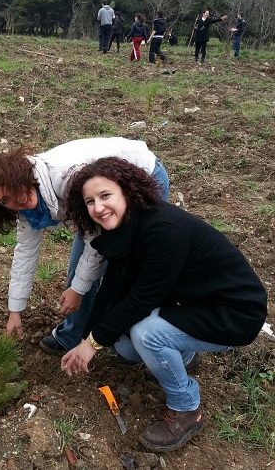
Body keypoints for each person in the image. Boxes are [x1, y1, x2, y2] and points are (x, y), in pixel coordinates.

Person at [61, 157, 267, 453]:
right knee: (125, 347)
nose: (98, 208)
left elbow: (141, 299)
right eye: (90, 201)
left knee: (147, 334)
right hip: (194, 303)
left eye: (106, 195)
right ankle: (182, 359)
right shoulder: (124, 228)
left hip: (233, 313)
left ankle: (187, 408)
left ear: (127, 192)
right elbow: (115, 286)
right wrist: (87, 337)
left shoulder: (163, 230)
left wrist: (91, 345)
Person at [0, 138, 170, 355]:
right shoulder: (28, 209)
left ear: (20, 174)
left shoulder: (66, 179)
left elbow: (95, 243)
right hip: (96, 203)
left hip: (141, 175)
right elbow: (25, 254)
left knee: (128, 267)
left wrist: (78, 290)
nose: (15, 200)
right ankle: (73, 335)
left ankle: (148, 345)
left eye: (12, 188)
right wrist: (15, 310)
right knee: (79, 271)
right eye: (4, 201)